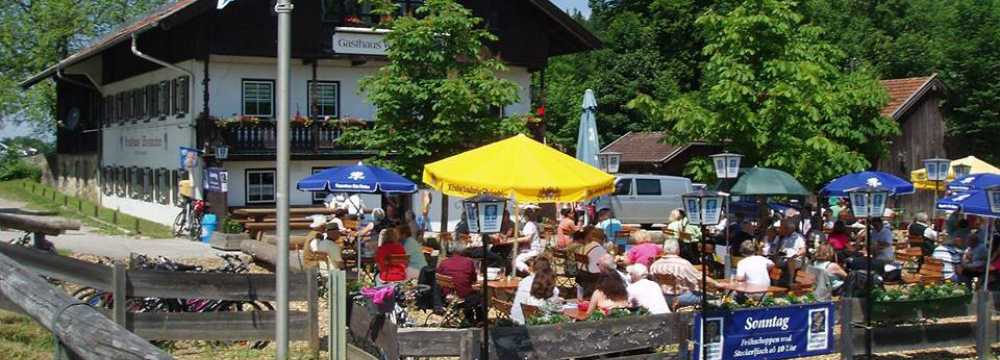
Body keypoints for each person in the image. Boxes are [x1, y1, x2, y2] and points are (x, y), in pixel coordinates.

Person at [649, 239, 718, 307]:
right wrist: (718, 284)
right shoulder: (683, 264)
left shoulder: (654, 265)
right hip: (681, 298)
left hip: (662, 297)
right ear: (678, 250)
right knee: (712, 297)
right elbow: (699, 278)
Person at [436, 241, 483, 323]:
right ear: (463, 251)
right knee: (480, 295)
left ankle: (469, 317)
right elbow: (474, 280)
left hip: (447, 296)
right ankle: (480, 320)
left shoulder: (444, 263)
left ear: (452, 251)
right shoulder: (468, 262)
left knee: (470, 292)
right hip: (463, 297)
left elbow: (438, 277)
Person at [511, 257, 561, 324]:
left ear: (533, 268)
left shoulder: (524, 281)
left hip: (515, 319)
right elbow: (550, 307)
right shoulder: (546, 283)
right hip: (530, 322)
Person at [764, 218, 805, 286]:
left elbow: (803, 250)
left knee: (789, 260)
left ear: (789, 228)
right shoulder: (783, 237)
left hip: (794, 259)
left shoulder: (798, 237)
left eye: (783, 228)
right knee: (769, 260)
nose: (781, 229)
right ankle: (771, 282)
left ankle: (790, 282)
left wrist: (795, 255)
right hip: (783, 257)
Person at [513, 206, 545, 273]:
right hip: (536, 249)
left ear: (525, 216)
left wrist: (515, 240)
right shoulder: (535, 224)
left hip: (532, 250)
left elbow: (527, 239)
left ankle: (530, 272)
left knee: (516, 261)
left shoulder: (529, 225)